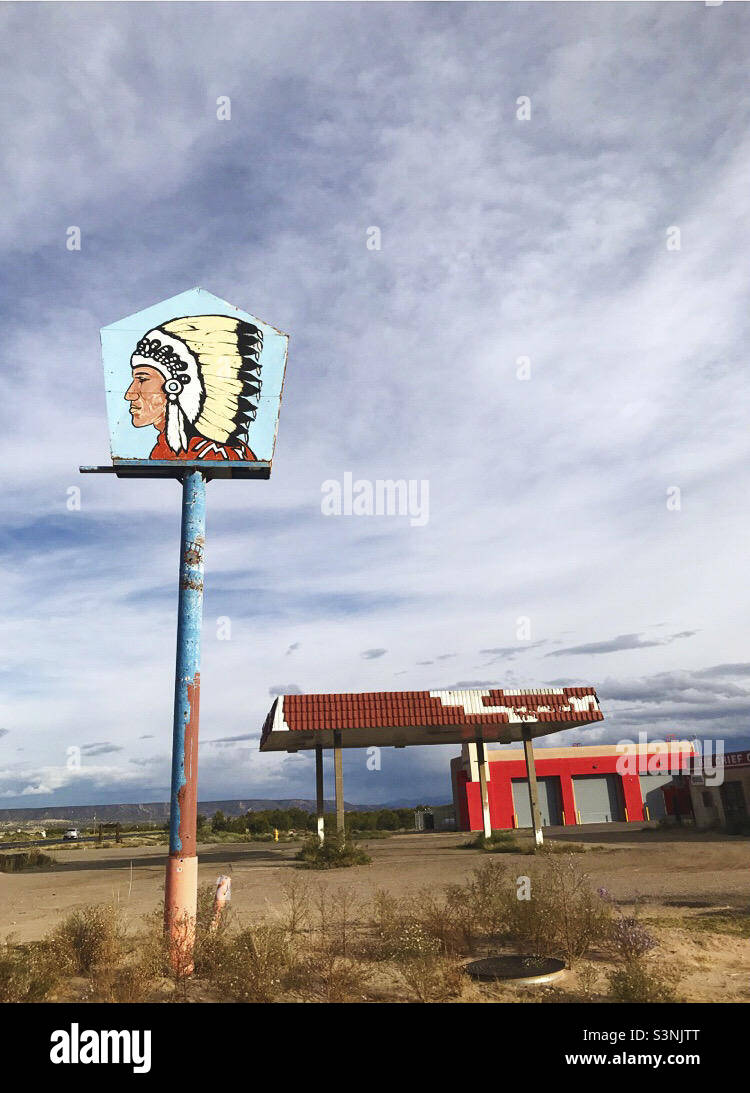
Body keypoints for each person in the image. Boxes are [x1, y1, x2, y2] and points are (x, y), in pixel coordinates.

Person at [124, 314, 263, 460]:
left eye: (142, 379)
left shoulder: (215, 452)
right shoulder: (162, 450)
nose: (129, 394)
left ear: (175, 387)